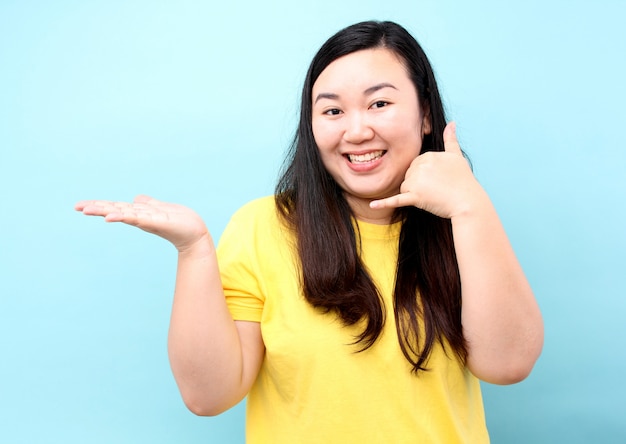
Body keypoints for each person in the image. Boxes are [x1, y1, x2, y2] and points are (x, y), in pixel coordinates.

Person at [75, 20, 543, 443]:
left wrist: (470, 206)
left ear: (424, 116)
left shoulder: (461, 226)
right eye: (333, 111)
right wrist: (195, 250)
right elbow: (209, 396)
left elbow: (507, 365)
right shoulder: (262, 227)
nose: (356, 130)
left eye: (379, 103)